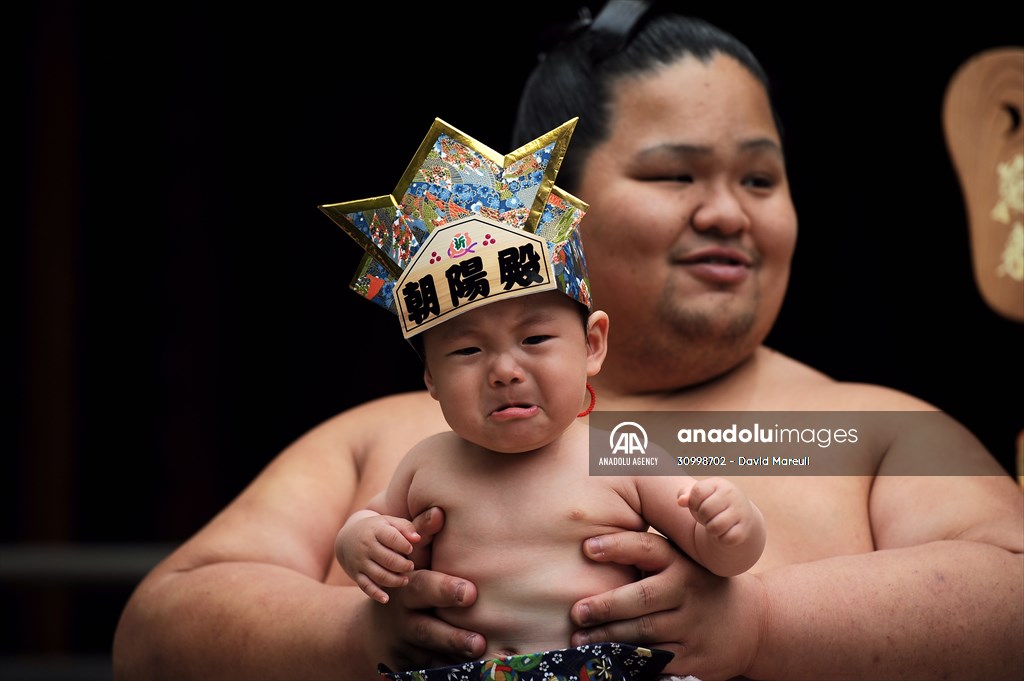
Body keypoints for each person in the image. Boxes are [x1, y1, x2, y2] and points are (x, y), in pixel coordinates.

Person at [112, 3, 1024, 680]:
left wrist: (759, 623)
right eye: (674, 174)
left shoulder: (855, 431)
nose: (727, 213)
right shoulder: (387, 438)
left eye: (760, 176)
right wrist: (348, 636)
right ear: (554, 218)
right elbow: (157, 629)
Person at [330, 122, 766, 674]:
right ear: (432, 381)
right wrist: (360, 541)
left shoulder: (621, 457)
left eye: (535, 339)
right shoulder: (427, 463)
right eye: (466, 351)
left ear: (591, 345)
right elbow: (371, 520)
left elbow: (721, 556)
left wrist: (734, 524)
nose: (504, 371)